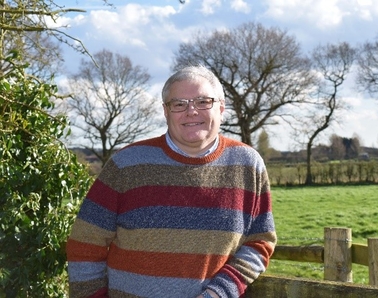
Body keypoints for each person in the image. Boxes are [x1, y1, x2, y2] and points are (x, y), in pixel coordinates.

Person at [66, 65, 277, 298]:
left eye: (203, 101)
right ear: (166, 112)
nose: (191, 111)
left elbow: (260, 241)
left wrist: (220, 293)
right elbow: (84, 243)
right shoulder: (127, 164)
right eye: (179, 104)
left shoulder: (248, 165)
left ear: (222, 107)